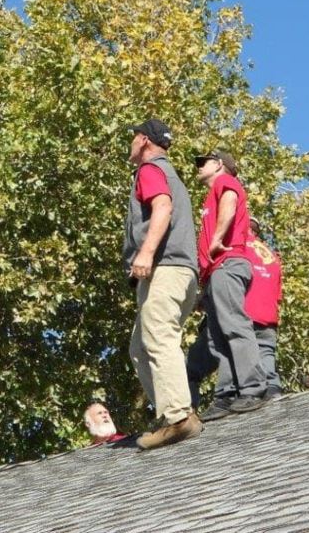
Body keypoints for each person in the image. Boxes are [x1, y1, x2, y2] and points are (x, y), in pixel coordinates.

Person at [123, 119, 203, 450]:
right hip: (180, 271)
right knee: (140, 347)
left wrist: (145, 253)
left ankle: (179, 418)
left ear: (144, 140)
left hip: (166, 267)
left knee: (157, 334)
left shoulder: (151, 170)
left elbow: (162, 207)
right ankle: (172, 412)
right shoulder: (169, 173)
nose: (130, 144)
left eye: (133, 138)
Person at [190, 150, 267, 421]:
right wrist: (204, 288)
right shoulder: (211, 194)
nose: (197, 167)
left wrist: (217, 238)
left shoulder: (225, 182)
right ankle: (227, 393)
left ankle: (252, 387)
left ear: (219, 164)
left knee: (234, 325)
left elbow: (231, 202)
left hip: (228, 262)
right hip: (216, 271)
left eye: (202, 162)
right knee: (218, 334)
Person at [188, 216, 282, 407]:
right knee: (266, 364)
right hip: (267, 320)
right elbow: (276, 293)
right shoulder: (271, 255)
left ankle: (187, 410)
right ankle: (272, 394)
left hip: (238, 317)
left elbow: (226, 285)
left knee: (192, 368)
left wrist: (203, 298)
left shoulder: (234, 248)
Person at [243, 218, 283, 397]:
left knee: (235, 355)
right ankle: (273, 390)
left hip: (246, 311)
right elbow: (278, 293)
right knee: (266, 354)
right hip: (269, 315)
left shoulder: (238, 247)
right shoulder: (271, 255)